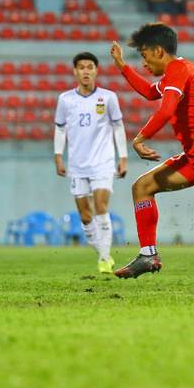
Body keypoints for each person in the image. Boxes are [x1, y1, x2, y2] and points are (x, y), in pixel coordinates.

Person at [109, 24, 194, 291]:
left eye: (144, 55)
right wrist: (122, 66)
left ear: (159, 50)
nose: (143, 63)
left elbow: (167, 110)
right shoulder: (172, 75)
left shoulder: (180, 69)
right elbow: (149, 92)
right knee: (142, 187)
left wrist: (140, 137)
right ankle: (148, 255)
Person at [54, 52, 128, 274]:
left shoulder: (108, 98)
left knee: (101, 207)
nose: (86, 71)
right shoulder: (65, 99)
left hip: (103, 163)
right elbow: (60, 128)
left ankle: (105, 258)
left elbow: (118, 127)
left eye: (89, 67)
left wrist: (122, 157)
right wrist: (58, 155)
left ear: (96, 70)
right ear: (75, 71)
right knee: (86, 217)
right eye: (81, 67)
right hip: (77, 165)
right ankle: (102, 251)